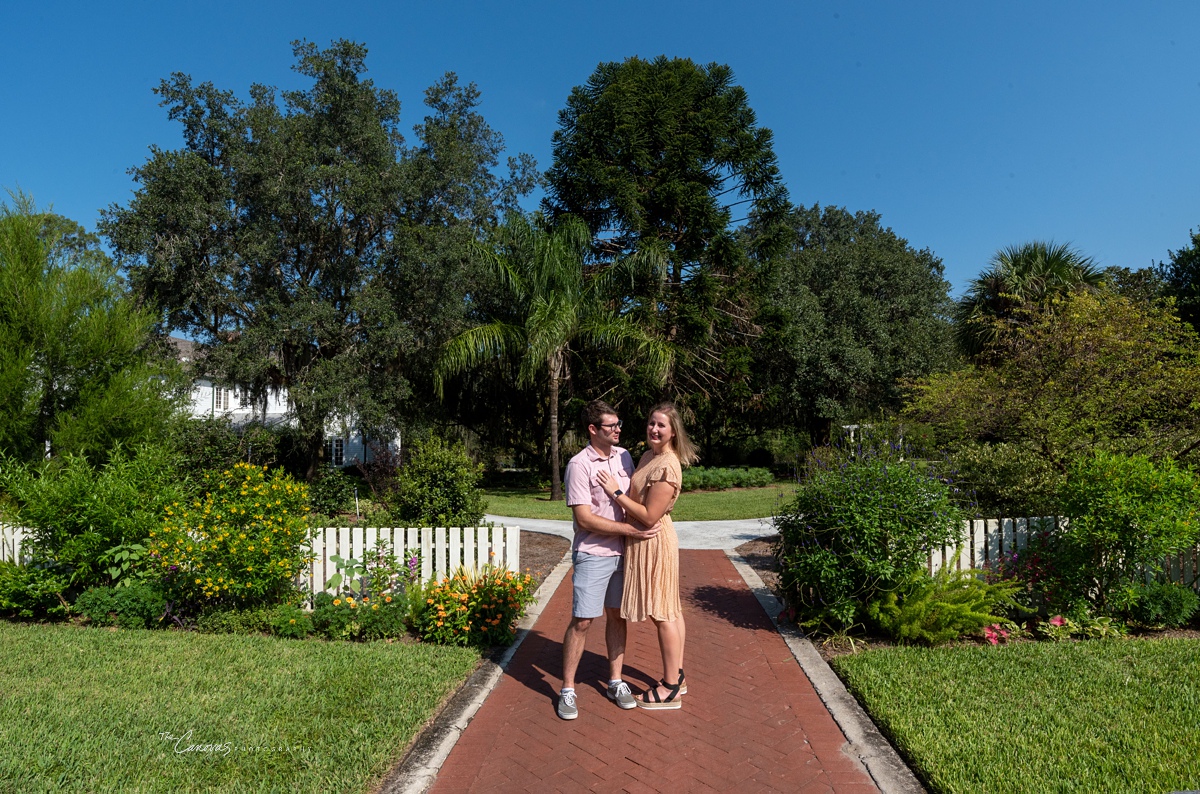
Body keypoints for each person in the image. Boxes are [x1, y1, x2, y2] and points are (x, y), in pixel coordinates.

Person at [558, 399, 662, 721]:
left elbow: (634, 497)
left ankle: (615, 682)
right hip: (593, 553)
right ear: (593, 430)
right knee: (583, 620)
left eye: (618, 425)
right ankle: (568, 688)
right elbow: (584, 519)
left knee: (618, 617)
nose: (618, 430)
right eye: (611, 426)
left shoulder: (625, 456)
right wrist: (629, 529)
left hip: (624, 555)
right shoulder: (579, 465)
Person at [597, 402, 698, 710]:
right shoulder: (647, 456)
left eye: (661, 425)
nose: (654, 429)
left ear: (672, 431)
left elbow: (650, 515)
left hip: (654, 539)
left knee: (662, 611)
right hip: (645, 541)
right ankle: (677, 678)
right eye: (652, 423)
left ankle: (669, 687)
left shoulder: (668, 465)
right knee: (670, 608)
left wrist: (616, 493)